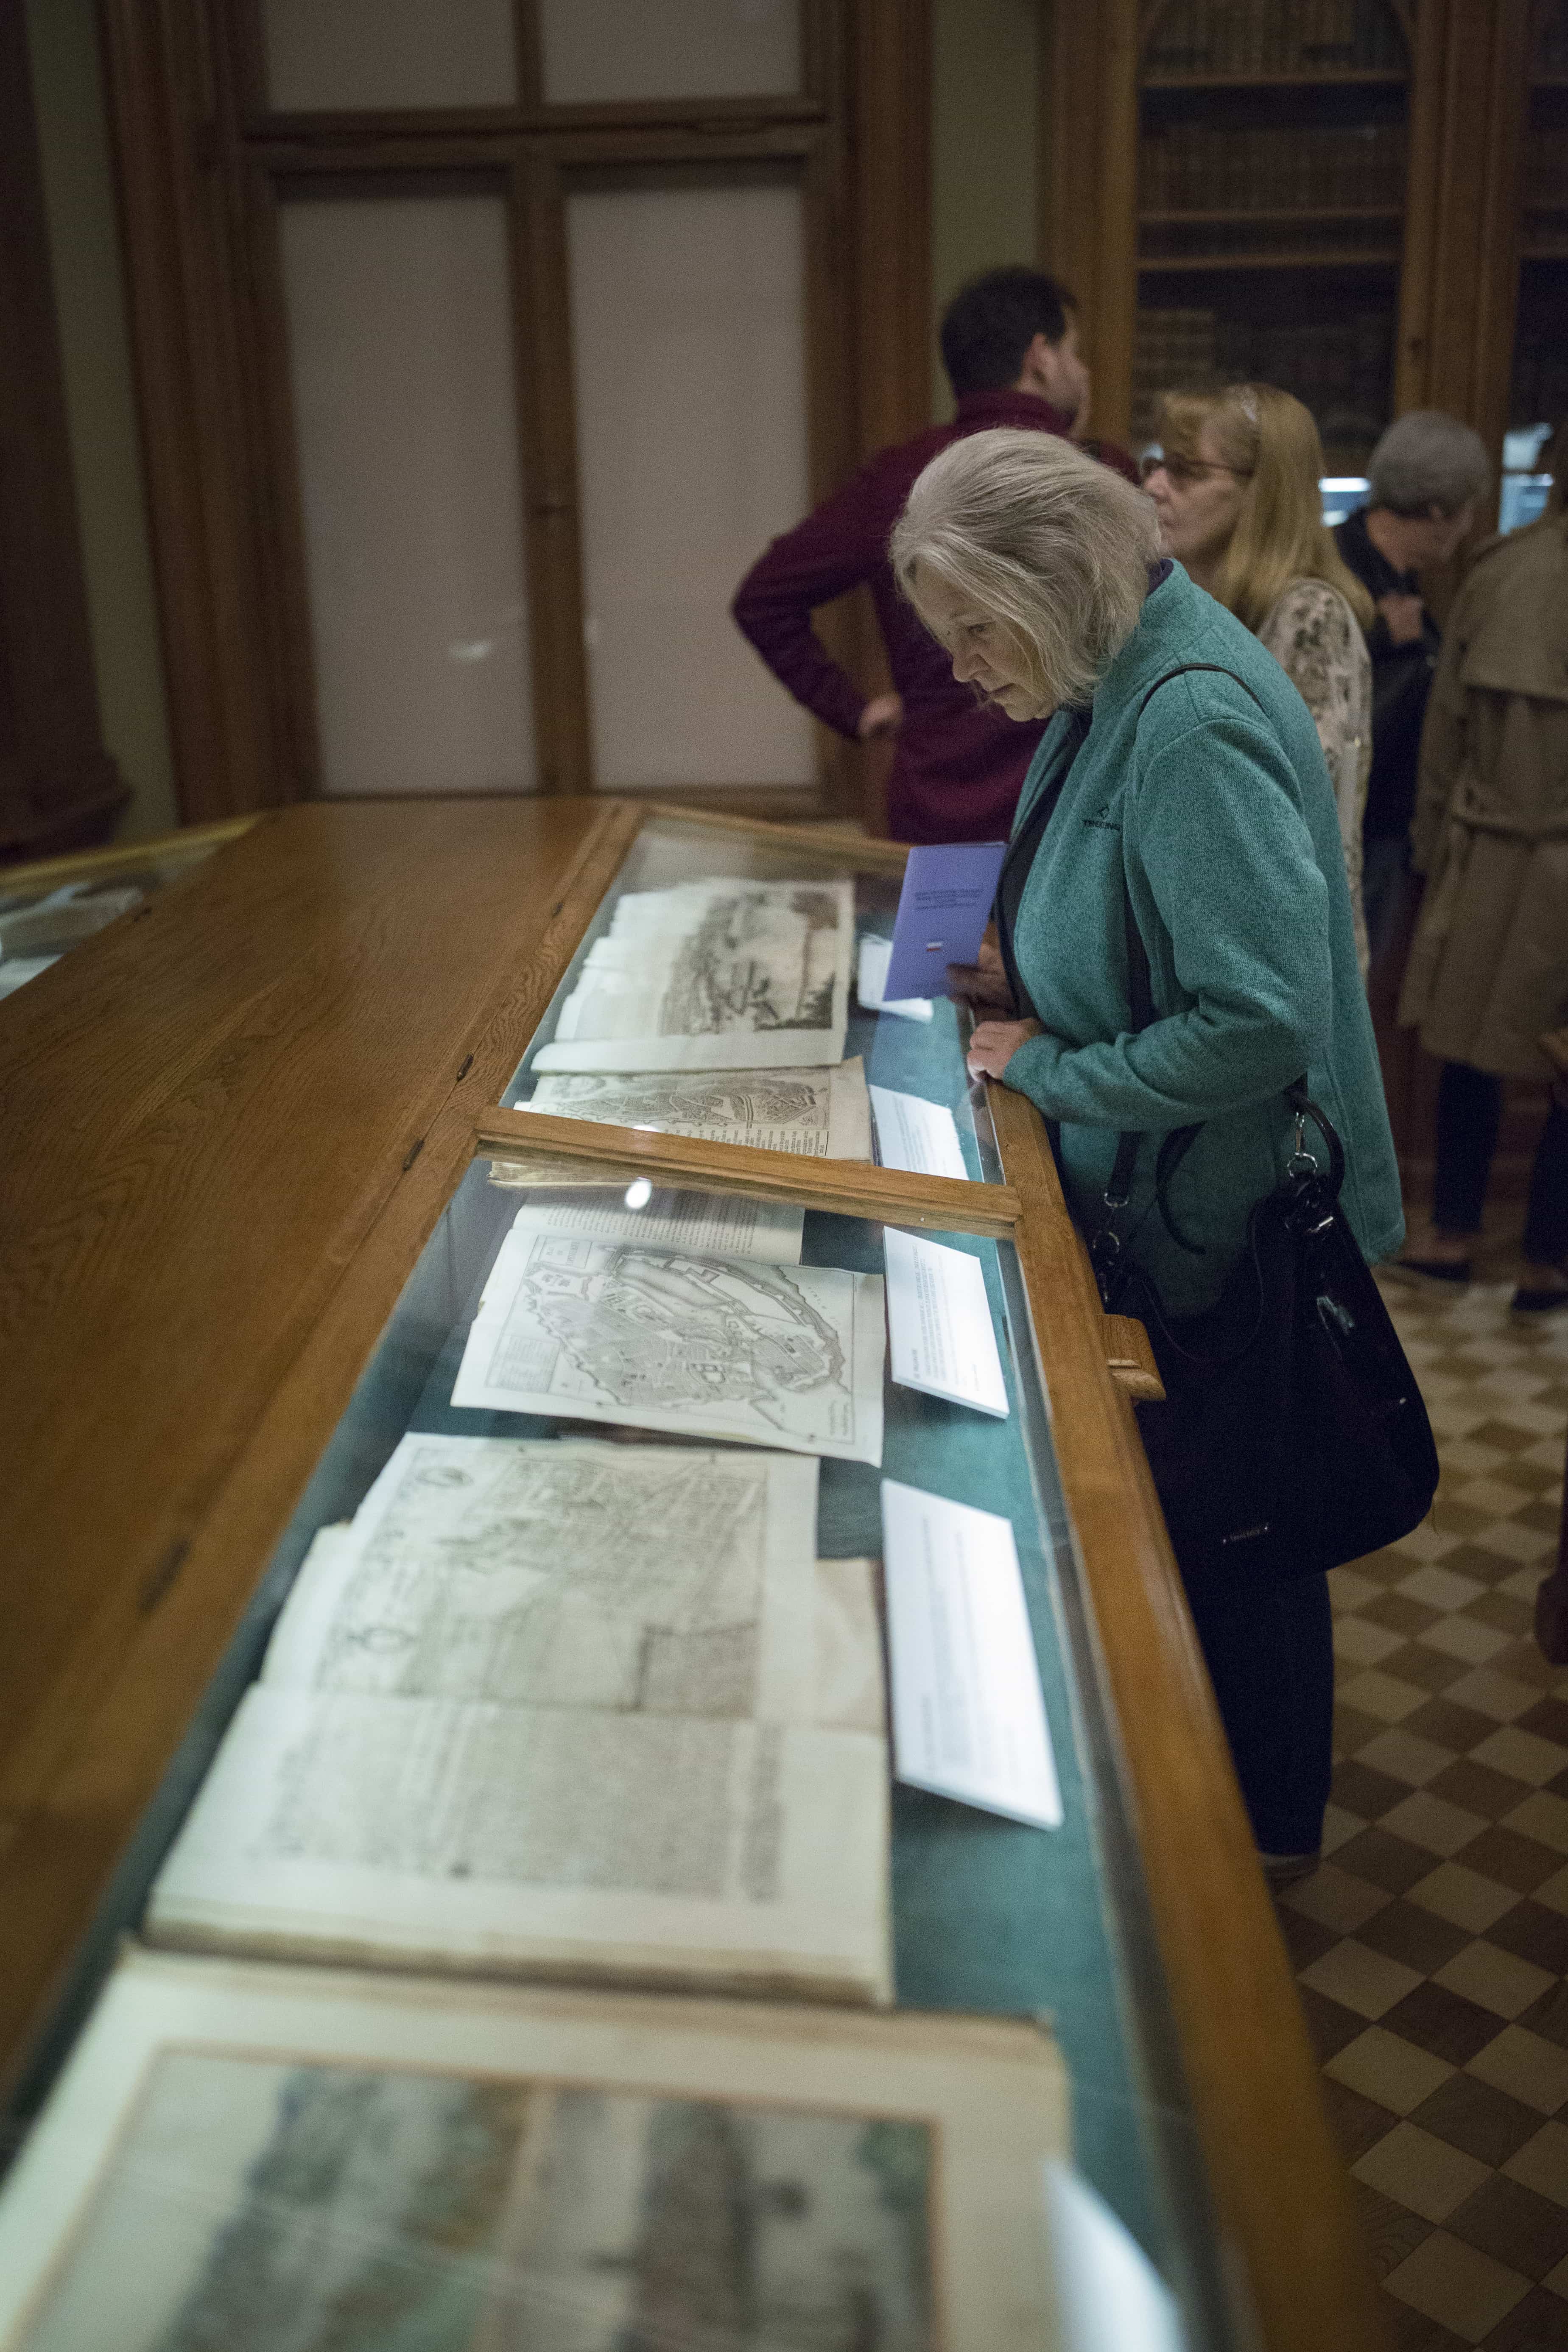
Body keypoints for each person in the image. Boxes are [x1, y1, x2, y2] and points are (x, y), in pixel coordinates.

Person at [889, 426, 1403, 1875]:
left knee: (1245, 1527)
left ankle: (1252, 1845)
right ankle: (1239, 1798)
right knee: (1228, 1516)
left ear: (1049, 581)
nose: (960, 667)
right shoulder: (1112, 667)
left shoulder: (1184, 716)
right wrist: (1034, 977)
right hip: (1174, 1187)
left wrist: (1049, 1061)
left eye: (973, 628)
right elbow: (1139, 917)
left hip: (1223, 1209)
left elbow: (1254, 1019)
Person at [730, 267, 1138, 845]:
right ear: (1041, 357)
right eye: (1075, 352)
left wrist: (855, 709)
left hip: (940, 806)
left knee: (939, 942)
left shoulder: (899, 476)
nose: (1084, 371)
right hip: (1069, 809)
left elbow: (763, 597)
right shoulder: (1099, 475)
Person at [1394, 425, 1568, 1315]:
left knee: (1468, 1051)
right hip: (1532, 850)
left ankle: (1456, 1234)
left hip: (1493, 853)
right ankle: (1547, 1258)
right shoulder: (1501, 567)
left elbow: (1446, 734)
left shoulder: (1499, 574)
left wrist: (1429, 847)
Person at [1143, 383, 1377, 973]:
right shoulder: (1200, 608)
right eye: (1156, 465)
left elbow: (1283, 819)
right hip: (1216, 943)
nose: (1153, 487)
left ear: (1261, 491)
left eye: (1185, 471)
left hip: (1279, 962)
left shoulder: (1309, 615)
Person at [1333, 411, 1488, 967]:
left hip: (1384, 824)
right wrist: (1378, 638)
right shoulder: (1340, 572)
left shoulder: (1399, 581)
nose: (1469, 527)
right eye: (1466, 509)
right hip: (1351, 828)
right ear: (1437, 510)